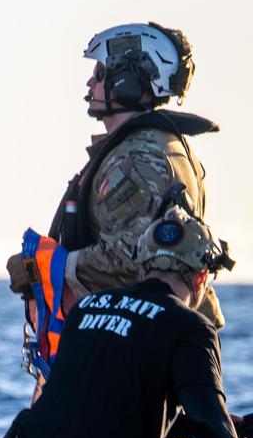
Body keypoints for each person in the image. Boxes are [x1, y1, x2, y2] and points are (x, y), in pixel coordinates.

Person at [4, 208, 250, 438]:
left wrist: (198, 427)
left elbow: (98, 412)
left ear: (142, 266)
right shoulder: (191, 327)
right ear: (201, 278)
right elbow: (210, 425)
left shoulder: (85, 309)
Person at [20, 24, 221, 327]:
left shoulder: (136, 158)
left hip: (133, 340)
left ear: (128, 83)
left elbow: (127, 259)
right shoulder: (164, 145)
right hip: (147, 335)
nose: (90, 82)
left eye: (101, 73)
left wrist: (42, 267)